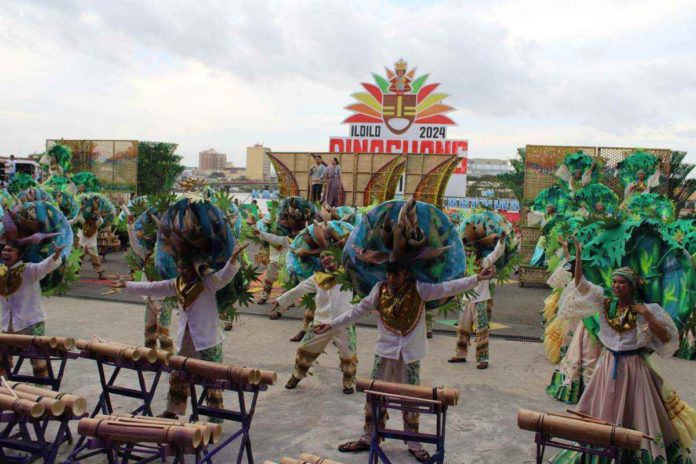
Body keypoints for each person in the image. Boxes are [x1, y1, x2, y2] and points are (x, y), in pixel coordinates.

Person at [314, 261, 496, 462]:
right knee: (374, 395)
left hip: (410, 355)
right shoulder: (379, 289)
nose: (392, 279)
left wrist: (477, 278)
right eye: (389, 274)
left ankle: (414, 443)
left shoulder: (419, 289)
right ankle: (368, 436)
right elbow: (358, 310)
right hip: (384, 353)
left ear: (406, 274)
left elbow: (447, 287)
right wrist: (331, 324)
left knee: (411, 398)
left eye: (397, 275)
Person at [550, 238, 696, 463]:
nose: (616, 285)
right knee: (604, 406)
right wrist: (578, 255)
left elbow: (665, 336)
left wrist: (646, 315)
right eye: (614, 281)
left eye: (622, 283)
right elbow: (580, 284)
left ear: (632, 286)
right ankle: (601, 452)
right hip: (607, 364)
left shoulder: (647, 309)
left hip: (634, 368)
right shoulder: (603, 301)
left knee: (637, 412)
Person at [111, 244, 246, 420]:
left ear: (194, 268)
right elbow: (154, 287)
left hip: (208, 339)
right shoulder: (177, 284)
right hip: (187, 339)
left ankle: (215, 416)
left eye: (185, 267)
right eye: (179, 267)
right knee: (179, 374)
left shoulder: (207, 283)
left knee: (213, 378)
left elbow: (224, 276)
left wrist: (233, 259)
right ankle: (173, 410)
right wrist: (127, 284)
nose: (181, 270)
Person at [272, 253, 357, 393]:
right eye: (322, 257)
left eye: (329, 255)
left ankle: (348, 382)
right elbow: (299, 289)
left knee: (348, 355)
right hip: (320, 323)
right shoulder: (317, 278)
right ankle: (296, 376)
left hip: (344, 323)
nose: (325, 259)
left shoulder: (348, 274)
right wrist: (280, 300)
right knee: (304, 350)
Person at [0, 242, 65, 378]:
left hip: (31, 323)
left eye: (10, 250)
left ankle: (42, 391)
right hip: (9, 324)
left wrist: (56, 255)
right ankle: (4, 389)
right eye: (4, 250)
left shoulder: (29, 270)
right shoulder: (2, 274)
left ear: (20, 255)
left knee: (38, 361)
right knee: (2, 358)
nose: (5, 253)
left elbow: (44, 266)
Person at [449, 230, 506, 369]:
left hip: (481, 299)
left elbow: (496, 253)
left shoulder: (484, 262)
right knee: (463, 327)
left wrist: (502, 241)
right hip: (466, 299)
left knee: (482, 329)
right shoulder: (462, 264)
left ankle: (483, 359)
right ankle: (461, 354)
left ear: (477, 252)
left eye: (471, 251)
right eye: (466, 251)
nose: (468, 253)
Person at [123, 205, 174, 354]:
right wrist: (130, 225)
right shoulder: (146, 253)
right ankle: (150, 358)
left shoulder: (168, 254)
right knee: (149, 331)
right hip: (151, 298)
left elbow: (168, 239)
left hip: (165, 299)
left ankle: (168, 360)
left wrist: (162, 228)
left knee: (163, 334)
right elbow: (134, 243)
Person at [70, 212, 105, 279]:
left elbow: (101, 220)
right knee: (78, 259)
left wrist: (98, 213)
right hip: (82, 243)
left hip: (92, 245)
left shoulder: (96, 224)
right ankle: (75, 273)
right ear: (88, 219)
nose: (91, 221)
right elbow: (79, 217)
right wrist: (81, 210)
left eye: (93, 220)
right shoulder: (84, 223)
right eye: (90, 219)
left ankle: (100, 274)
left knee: (96, 260)